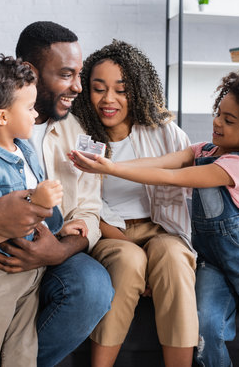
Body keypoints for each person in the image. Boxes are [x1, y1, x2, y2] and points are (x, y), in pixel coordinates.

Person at [70, 68, 239, 367]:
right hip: (210, 263)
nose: (216, 122)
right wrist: (109, 164)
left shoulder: (237, 165)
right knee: (208, 328)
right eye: (218, 113)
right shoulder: (203, 150)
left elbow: (171, 176)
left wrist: (110, 169)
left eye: (229, 120)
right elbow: (159, 163)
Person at [0, 22, 113, 367]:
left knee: (92, 288)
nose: (78, 86)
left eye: (79, 74)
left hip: (48, 251)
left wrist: (58, 250)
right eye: (66, 74)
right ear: (31, 72)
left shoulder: (77, 133)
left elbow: (89, 211)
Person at [71, 39, 198, 367]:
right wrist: (133, 248)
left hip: (161, 229)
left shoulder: (165, 132)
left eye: (120, 90)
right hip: (109, 232)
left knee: (172, 257)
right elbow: (82, 204)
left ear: (138, 90)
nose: (108, 99)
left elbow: (208, 180)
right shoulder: (79, 135)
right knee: (129, 261)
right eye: (99, 88)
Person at [0, 54, 66, 366]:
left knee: (23, 349)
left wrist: (59, 225)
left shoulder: (24, 148)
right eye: (30, 108)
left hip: (28, 268)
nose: (36, 115)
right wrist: (37, 203)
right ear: (2, 117)